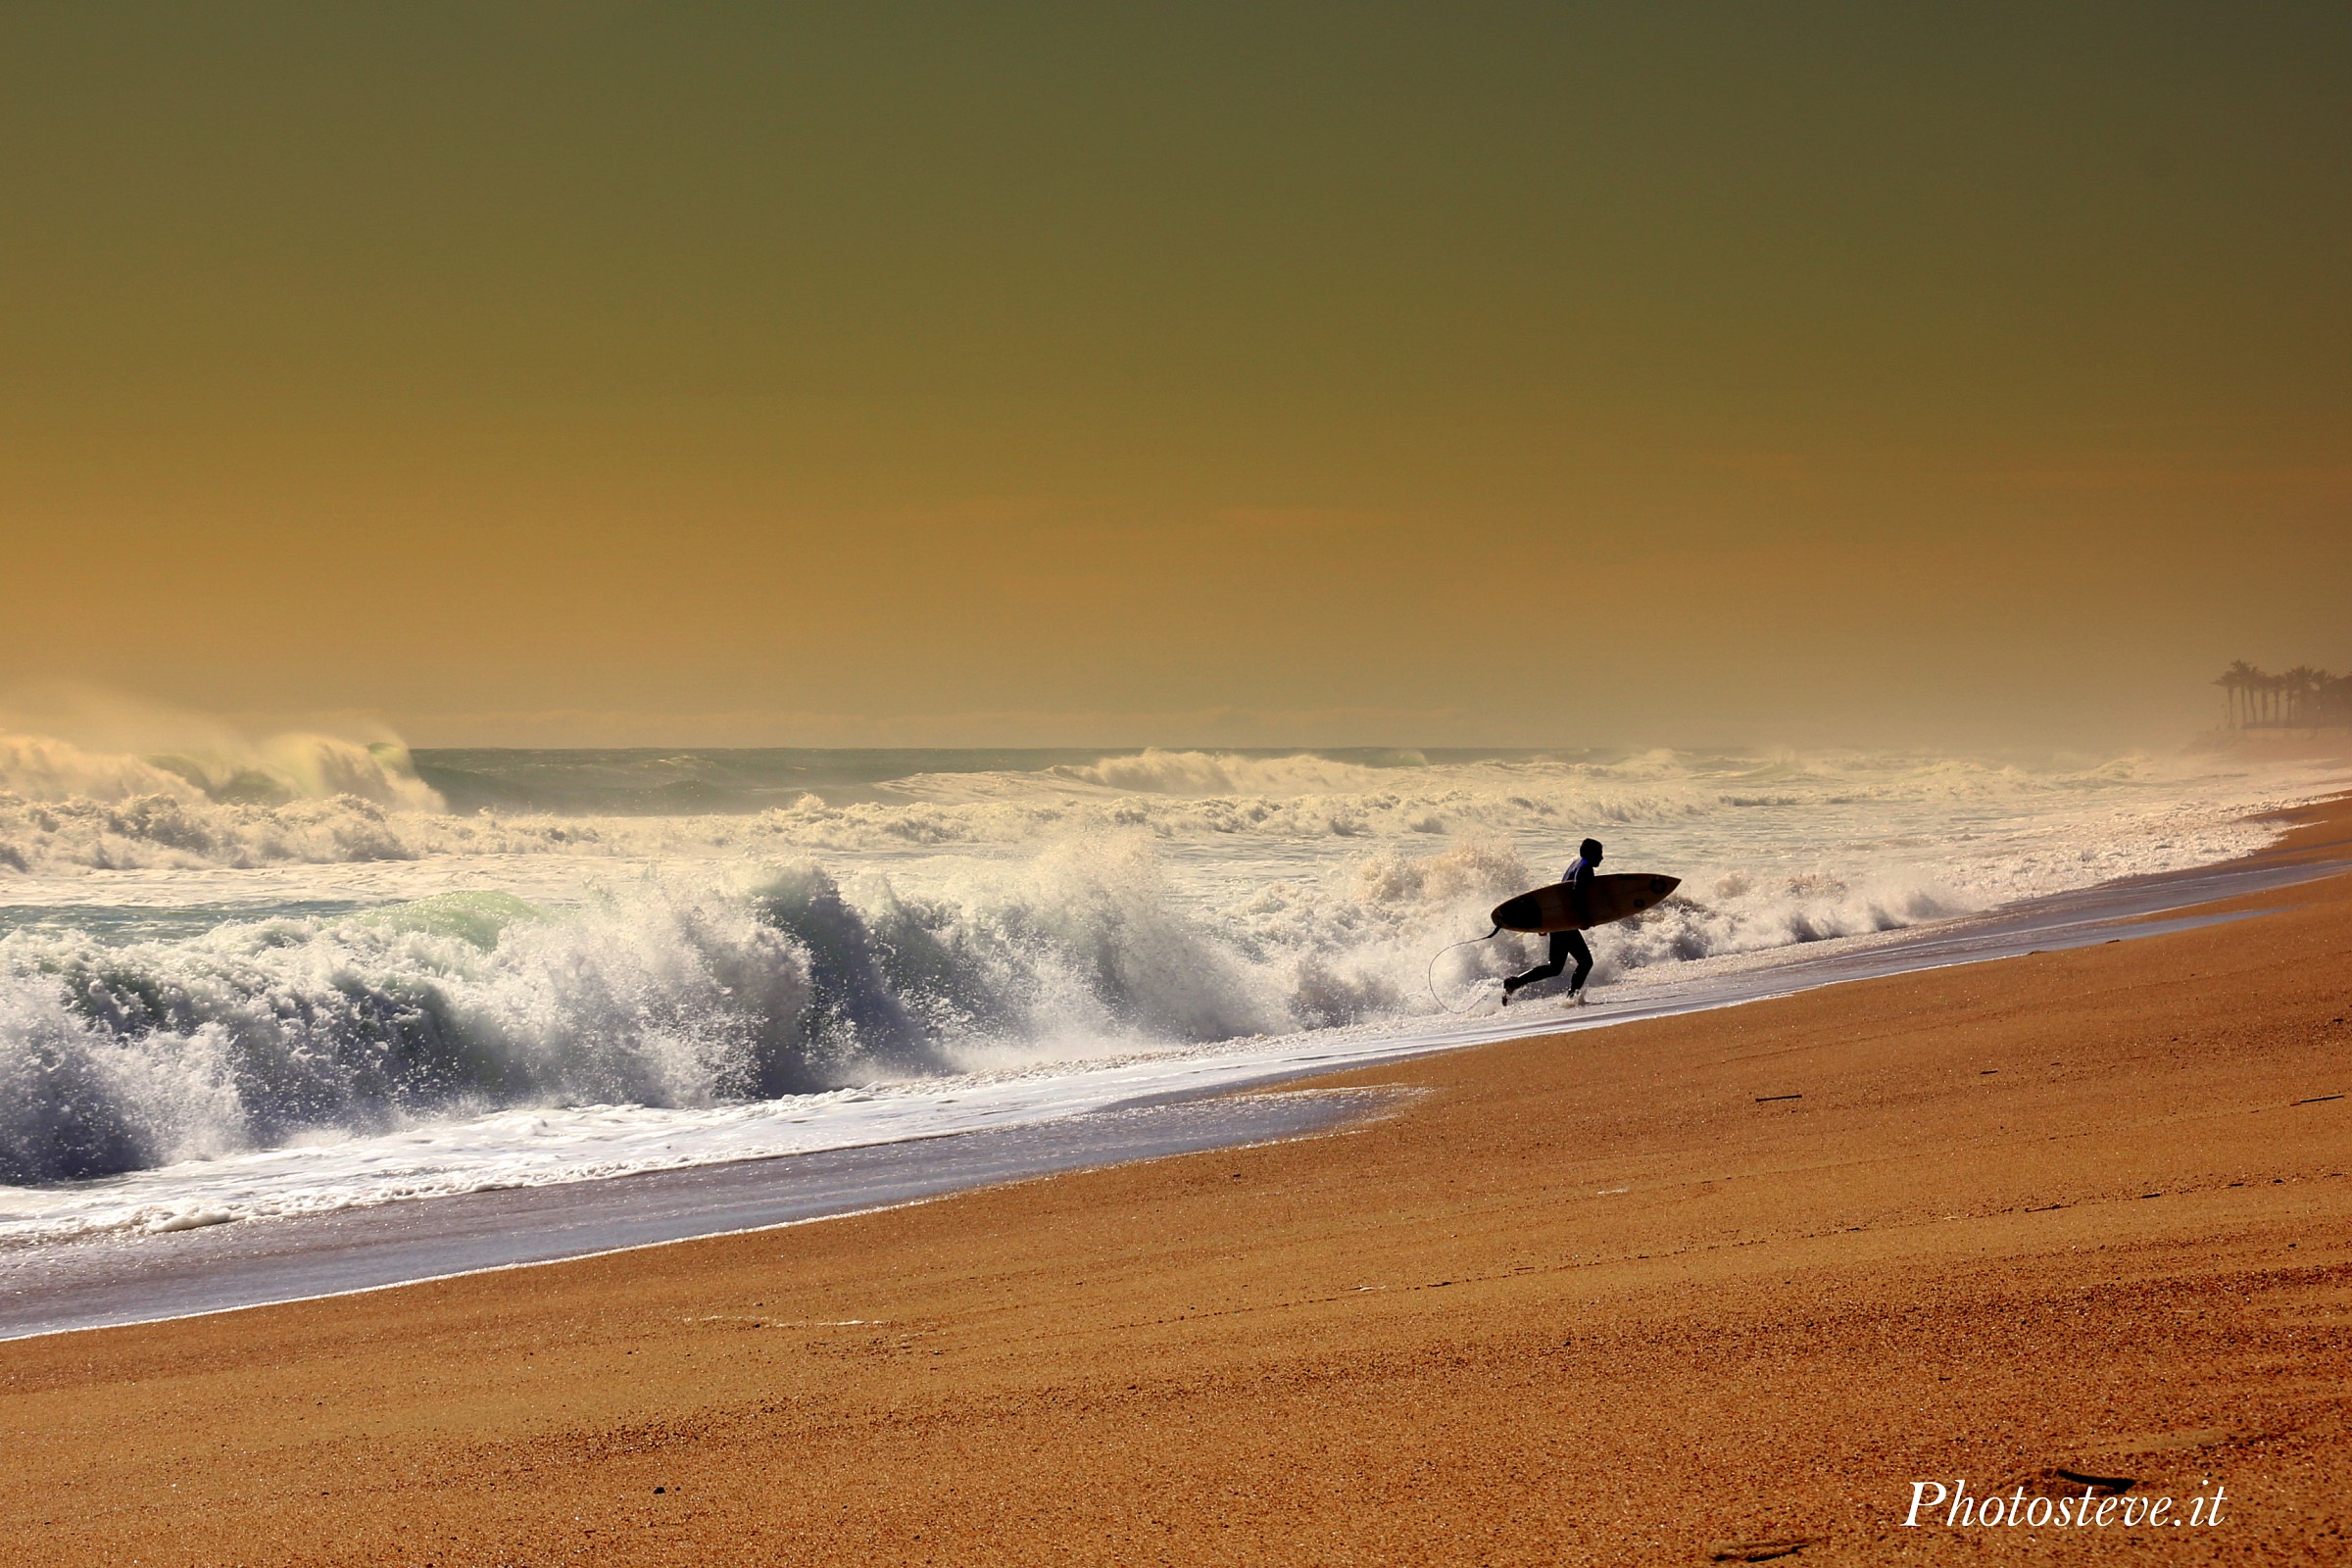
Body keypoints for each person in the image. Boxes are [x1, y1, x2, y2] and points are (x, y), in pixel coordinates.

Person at [1502, 838, 1602, 1005]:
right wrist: (1583, 918)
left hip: (1559, 921)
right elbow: (1576, 891)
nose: (1601, 857)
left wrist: (1548, 923)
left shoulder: (1575, 864)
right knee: (1585, 962)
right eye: (1599, 853)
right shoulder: (1585, 867)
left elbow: (1559, 895)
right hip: (1566, 922)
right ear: (1589, 853)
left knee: (1554, 967)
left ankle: (1515, 982)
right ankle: (1572, 997)